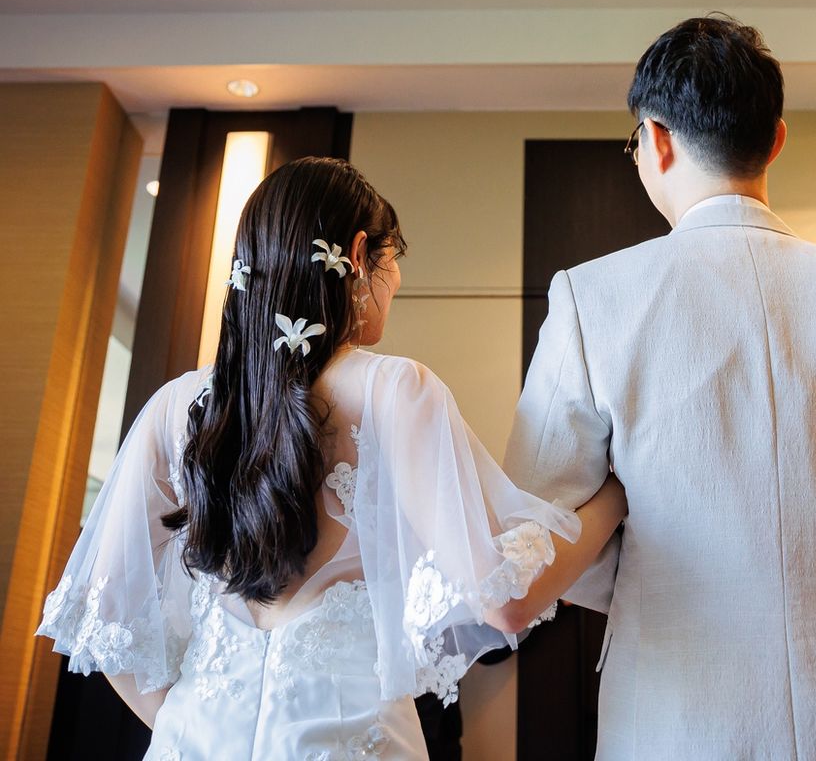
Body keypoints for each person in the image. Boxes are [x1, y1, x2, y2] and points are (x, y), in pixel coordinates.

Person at [504, 16, 816, 760]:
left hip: (675, 721)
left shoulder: (592, 298)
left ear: (656, 140)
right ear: (775, 140)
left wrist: (653, 588)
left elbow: (531, 531)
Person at [38, 157, 625, 760]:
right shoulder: (396, 391)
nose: (397, 280)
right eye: (394, 258)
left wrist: (194, 722)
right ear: (360, 254)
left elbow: (107, 620)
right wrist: (615, 496)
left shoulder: (175, 407)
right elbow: (505, 601)